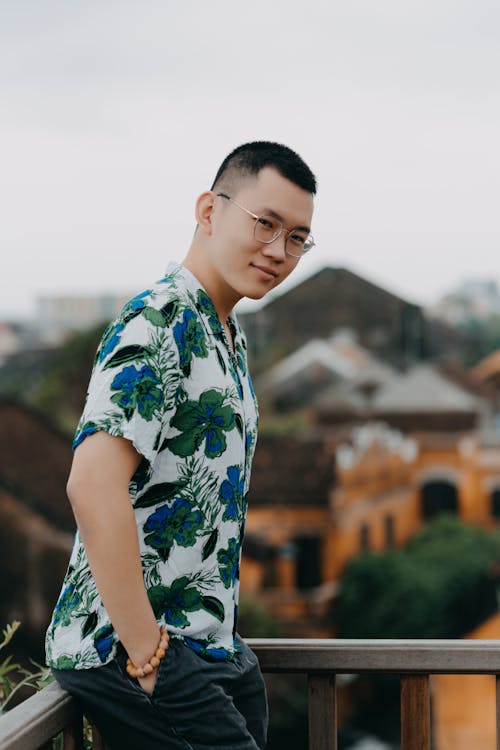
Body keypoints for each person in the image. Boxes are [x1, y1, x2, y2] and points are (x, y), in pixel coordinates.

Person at [45, 141, 317, 749]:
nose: (279, 251)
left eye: (297, 237)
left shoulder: (224, 332)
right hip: (135, 650)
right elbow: (91, 484)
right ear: (209, 210)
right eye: (265, 223)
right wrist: (149, 656)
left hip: (208, 643)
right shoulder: (157, 321)